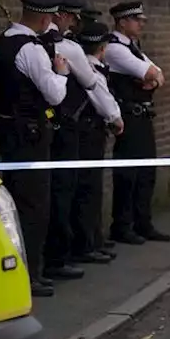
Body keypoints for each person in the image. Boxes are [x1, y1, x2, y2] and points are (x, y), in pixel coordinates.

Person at [0, 0, 70, 298]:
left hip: (5, 130)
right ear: (46, 18)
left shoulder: (2, 42)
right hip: (30, 135)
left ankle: (14, 269)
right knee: (34, 205)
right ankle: (30, 274)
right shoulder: (31, 50)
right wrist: (61, 73)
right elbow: (54, 95)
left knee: (14, 202)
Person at [40, 0, 97, 282]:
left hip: (40, 127)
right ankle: (58, 259)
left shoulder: (34, 43)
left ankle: (40, 259)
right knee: (64, 190)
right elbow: (90, 81)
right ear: (59, 15)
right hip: (66, 127)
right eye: (73, 17)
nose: (75, 23)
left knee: (40, 194)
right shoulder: (69, 48)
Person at [104, 0, 169, 244]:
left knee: (146, 172)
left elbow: (159, 73)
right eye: (136, 20)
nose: (141, 24)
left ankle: (143, 222)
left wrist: (153, 79)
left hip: (142, 115)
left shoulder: (132, 46)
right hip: (128, 117)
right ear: (122, 22)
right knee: (128, 173)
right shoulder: (115, 48)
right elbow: (151, 74)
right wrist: (152, 78)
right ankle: (122, 225)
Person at [69, 20, 123, 265]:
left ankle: (94, 240)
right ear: (102, 48)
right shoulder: (92, 72)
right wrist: (116, 119)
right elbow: (105, 103)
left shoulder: (90, 67)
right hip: (89, 135)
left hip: (88, 134)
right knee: (88, 190)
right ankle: (86, 245)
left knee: (90, 189)